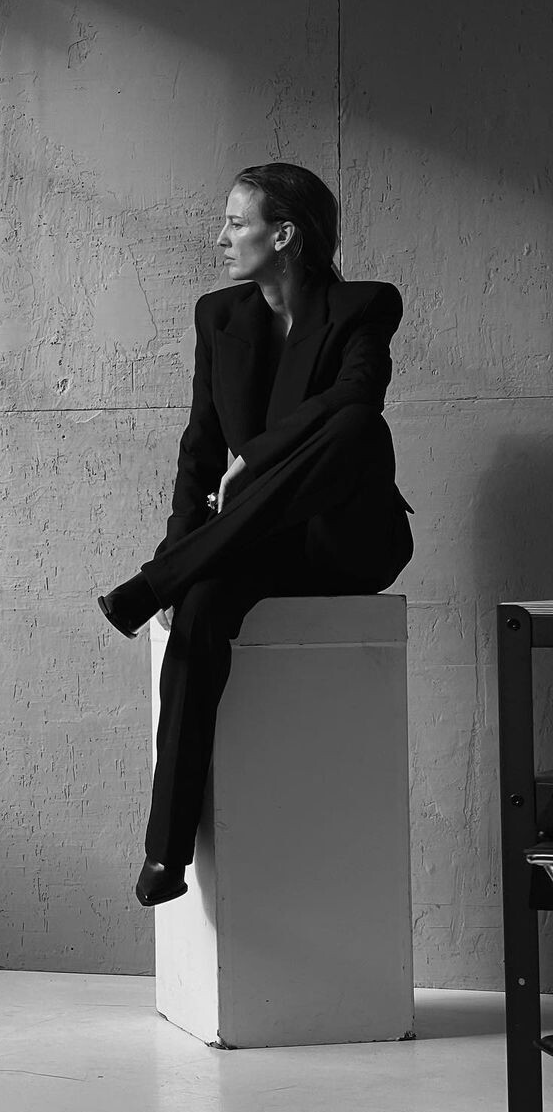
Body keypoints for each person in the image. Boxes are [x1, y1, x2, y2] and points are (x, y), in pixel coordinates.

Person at [98, 162, 414, 907]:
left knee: (357, 427)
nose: (221, 238)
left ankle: (159, 580)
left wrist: (259, 457)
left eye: (236, 223)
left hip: (342, 540)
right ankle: (165, 853)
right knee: (202, 606)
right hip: (255, 541)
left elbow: (358, 394)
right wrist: (181, 543)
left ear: (285, 235)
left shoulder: (364, 306)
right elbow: (199, 448)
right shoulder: (220, 317)